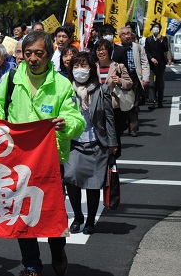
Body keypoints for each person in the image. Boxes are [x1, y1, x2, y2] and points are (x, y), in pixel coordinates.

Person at [0, 31, 85, 276]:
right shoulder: (12, 78)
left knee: (50, 211)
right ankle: (31, 265)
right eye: (28, 53)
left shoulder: (61, 84)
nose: (33, 58)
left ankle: (57, 249)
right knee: (21, 212)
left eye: (39, 53)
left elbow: (76, 120)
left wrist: (66, 124)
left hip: (49, 160)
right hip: (16, 158)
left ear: (49, 55)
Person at [64, 52, 118, 235]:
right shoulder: (66, 90)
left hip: (96, 142)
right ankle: (78, 216)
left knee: (93, 185)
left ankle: (90, 220)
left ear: (91, 68)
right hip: (73, 142)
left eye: (84, 65)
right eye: (76, 66)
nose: (80, 70)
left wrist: (112, 143)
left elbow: (109, 118)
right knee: (71, 178)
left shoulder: (100, 90)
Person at [95, 39, 133, 155]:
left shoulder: (118, 66)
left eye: (103, 49)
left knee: (114, 134)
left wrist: (120, 81)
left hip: (113, 106)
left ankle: (113, 162)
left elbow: (129, 83)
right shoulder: (92, 67)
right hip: (97, 106)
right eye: (98, 50)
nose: (101, 52)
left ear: (109, 51)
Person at [118, 26, 150, 137]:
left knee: (134, 103)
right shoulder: (116, 48)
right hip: (121, 78)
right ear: (120, 36)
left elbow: (145, 63)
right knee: (121, 102)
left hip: (134, 77)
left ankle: (133, 128)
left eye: (128, 34)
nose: (127, 36)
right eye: (124, 34)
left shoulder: (138, 48)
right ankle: (121, 126)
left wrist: (145, 78)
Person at [144, 23, 169, 109]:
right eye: (154, 27)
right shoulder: (148, 39)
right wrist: (151, 58)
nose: (156, 29)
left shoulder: (164, 39)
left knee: (160, 84)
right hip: (151, 65)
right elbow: (146, 51)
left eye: (157, 27)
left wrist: (161, 40)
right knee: (151, 83)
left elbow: (166, 49)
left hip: (161, 65)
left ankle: (160, 101)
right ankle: (152, 101)